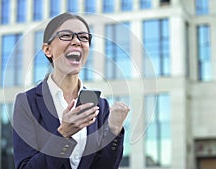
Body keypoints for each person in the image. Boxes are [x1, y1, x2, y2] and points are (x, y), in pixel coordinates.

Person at [12, 12, 130, 169]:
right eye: (66, 35)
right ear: (48, 50)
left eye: (84, 37)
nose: (77, 41)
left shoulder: (99, 106)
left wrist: (114, 131)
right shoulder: (27, 102)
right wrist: (63, 134)